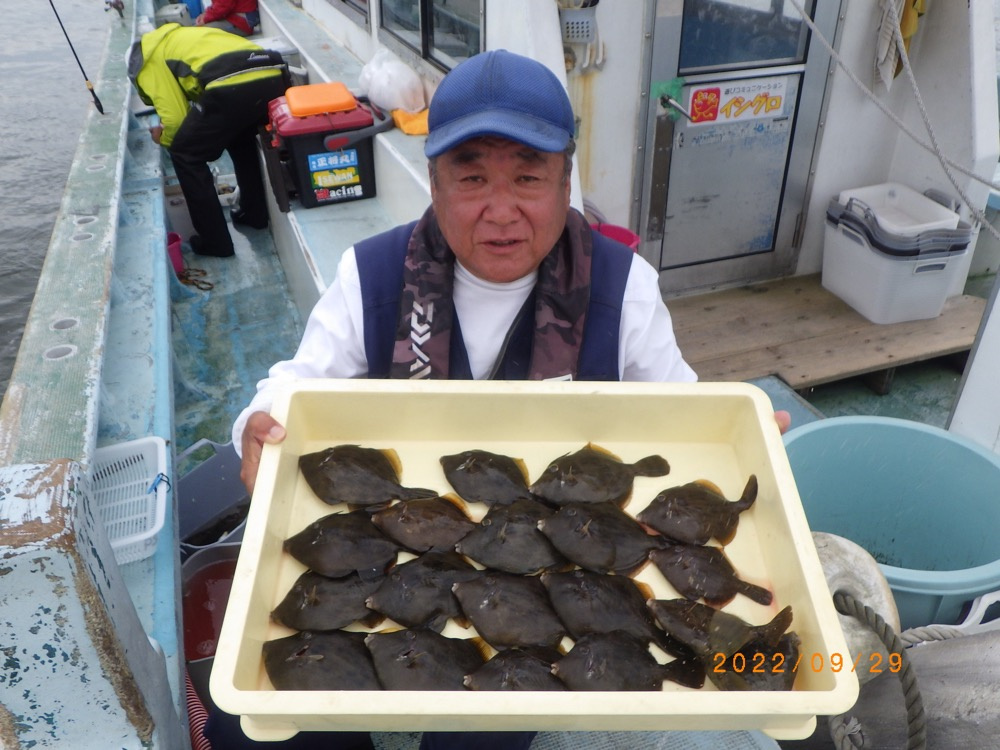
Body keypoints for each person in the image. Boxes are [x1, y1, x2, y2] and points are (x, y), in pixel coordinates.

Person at [232, 49, 789, 750]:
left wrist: (749, 442)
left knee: (485, 735)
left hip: (543, 590)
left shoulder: (624, 286)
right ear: (435, 183)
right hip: (410, 563)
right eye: (471, 178)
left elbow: (684, 417)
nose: (501, 212)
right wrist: (254, 427)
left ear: (565, 182)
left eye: (528, 177)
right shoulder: (371, 274)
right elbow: (290, 387)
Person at [128, 23, 287, 258]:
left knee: (184, 154)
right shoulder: (181, 37)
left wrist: (164, 137)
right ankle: (254, 215)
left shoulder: (148, 62)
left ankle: (216, 243)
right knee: (240, 134)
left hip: (229, 85)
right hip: (273, 76)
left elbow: (175, 119)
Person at [196, 0, 260, 37]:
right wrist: (206, 14)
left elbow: (223, 7)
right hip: (233, 18)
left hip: (240, 25)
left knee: (200, 32)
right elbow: (219, 4)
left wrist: (205, 19)